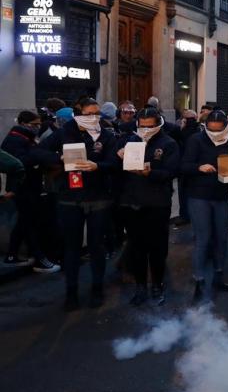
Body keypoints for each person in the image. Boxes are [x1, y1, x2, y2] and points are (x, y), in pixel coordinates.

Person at [36, 98, 117, 311]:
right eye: (90, 114)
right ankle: (71, 292)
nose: (95, 118)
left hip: (98, 198)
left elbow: (114, 163)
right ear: (78, 114)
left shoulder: (106, 134)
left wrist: (97, 166)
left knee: (96, 246)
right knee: (71, 247)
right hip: (69, 198)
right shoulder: (63, 133)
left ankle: (97, 289)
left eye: (97, 113)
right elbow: (37, 152)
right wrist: (58, 157)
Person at [115, 107, 180, 306]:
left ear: (158, 124)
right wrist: (119, 157)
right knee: (136, 247)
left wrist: (149, 173)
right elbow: (115, 171)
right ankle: (141, 285)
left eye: (150, 126)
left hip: (157, 203)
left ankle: (158, 284)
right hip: (132, 202)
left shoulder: (168, 144)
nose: (146, 130)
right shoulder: (129, 141)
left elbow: (171, 172)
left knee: (158, 248)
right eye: (142, 126)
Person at [181, 110, 228, 301]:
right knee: (203, 238)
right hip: (199, 195)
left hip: (222, 194)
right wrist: (199, 167)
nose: (215, 133)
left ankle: (218, 274)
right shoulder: (195, 140)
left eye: (219, 129)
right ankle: (199, 278)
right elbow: (183, 165)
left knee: (221, 237)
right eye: (211, 129)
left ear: (225, 126)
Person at [2, 111, 59, 272]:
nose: (37, 127)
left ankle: (12, 254)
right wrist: (39, 157)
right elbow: (19, 162)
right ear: (23, 123)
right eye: (34, 125)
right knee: (29, 223)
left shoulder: (27, 138)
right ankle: (39, 259)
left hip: (30, 185)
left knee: (24, 221)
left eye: (38, 124)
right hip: (22, 187)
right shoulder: (15, 140)